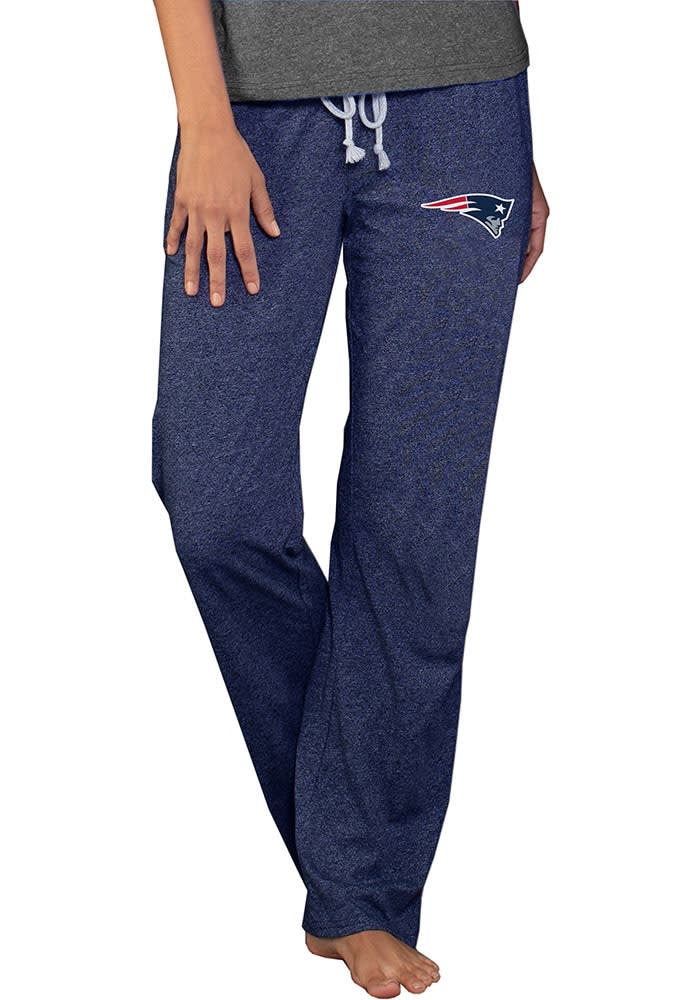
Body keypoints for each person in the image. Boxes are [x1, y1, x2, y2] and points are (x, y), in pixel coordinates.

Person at [150, 1, 549, 995]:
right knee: (215, 503)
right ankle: (355, 844)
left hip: (465, 109)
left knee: (417, 520)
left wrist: (516, 135)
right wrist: (203, 119)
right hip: (254, 115)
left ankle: (359, 893)